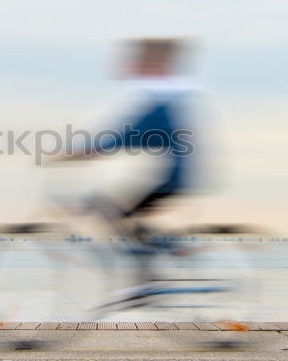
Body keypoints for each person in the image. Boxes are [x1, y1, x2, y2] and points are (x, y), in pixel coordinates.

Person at [55, 37, 201, 301]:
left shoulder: (163, 100)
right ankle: (157, 261)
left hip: (174, 176)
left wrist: (89, 151)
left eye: (141, 61)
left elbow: (135, 132)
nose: (133, 66)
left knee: (118, 211)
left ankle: (157, 267)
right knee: (124, 215)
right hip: (174, 174)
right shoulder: (164, 96)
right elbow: (133, 132)